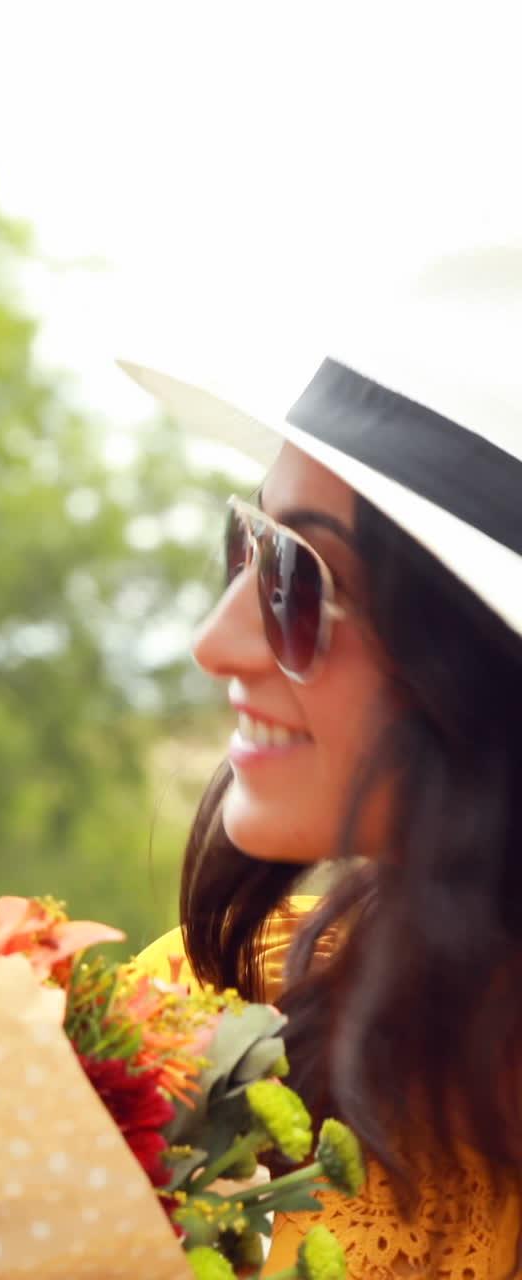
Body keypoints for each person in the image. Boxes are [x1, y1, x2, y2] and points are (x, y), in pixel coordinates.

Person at [121, 246, 522, 1279]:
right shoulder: (188, 1016)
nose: (216, 639)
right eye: (247, 548)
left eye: (296, 576)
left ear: (474, 665)